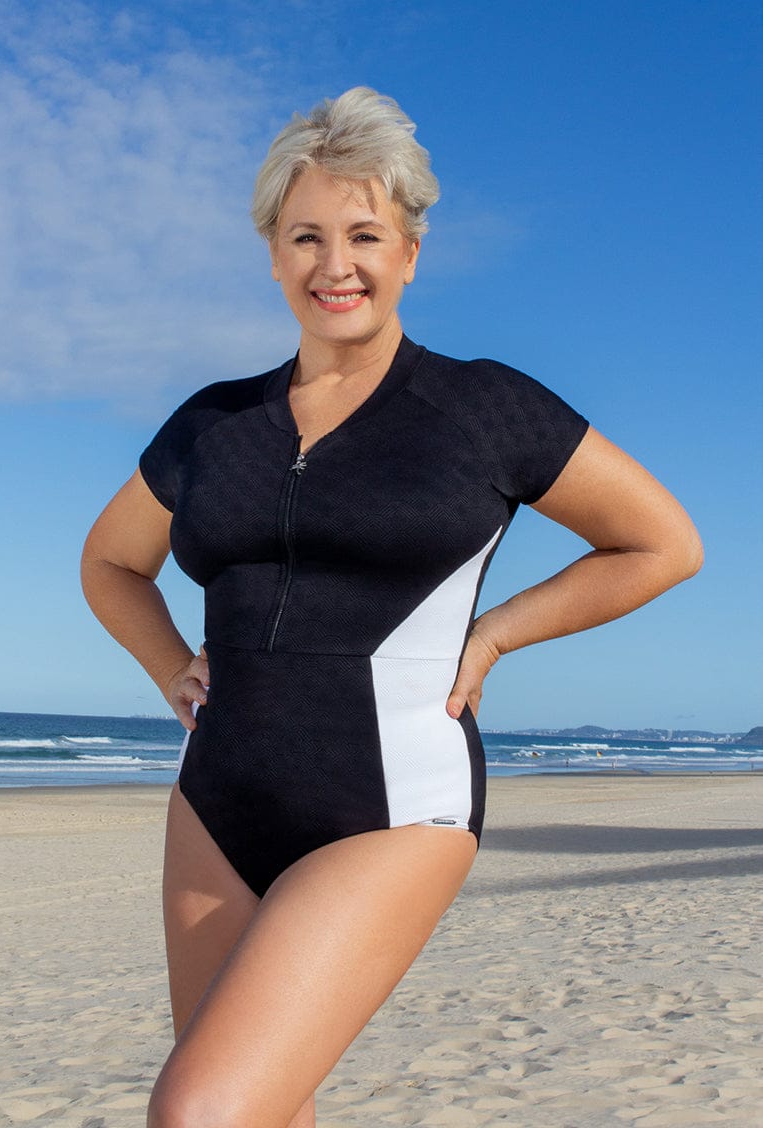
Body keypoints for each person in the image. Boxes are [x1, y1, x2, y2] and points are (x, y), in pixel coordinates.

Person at [81, 87, 702, 1128]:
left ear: (410, 251)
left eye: (366, 234)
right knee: (269, 1109)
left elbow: (661, 544)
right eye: (306, 236)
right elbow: (110, 563)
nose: (337, 265)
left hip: (394, 801)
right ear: (273, 254)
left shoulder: (482, 407)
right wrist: (168, 664)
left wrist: (499, 632)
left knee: (200, 1111)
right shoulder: (210, 425)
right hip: (216, 803)